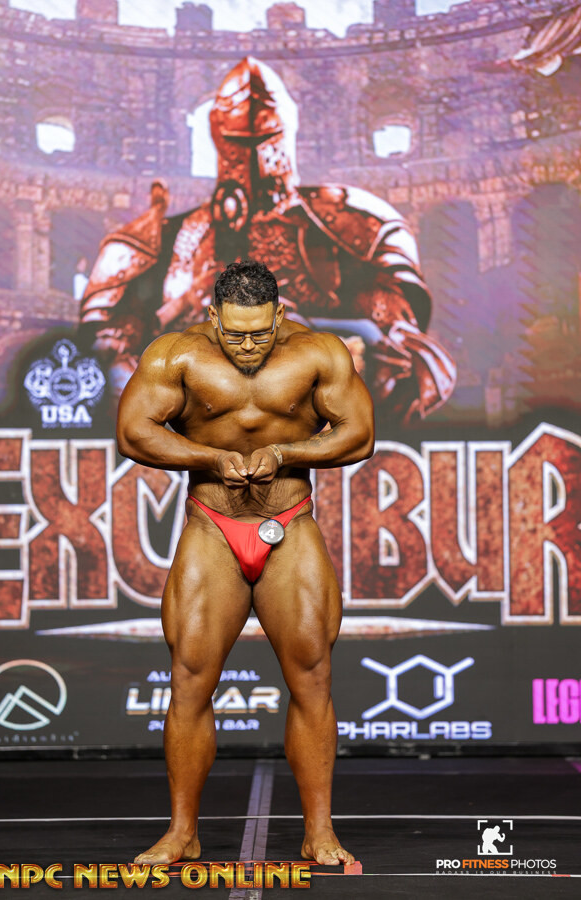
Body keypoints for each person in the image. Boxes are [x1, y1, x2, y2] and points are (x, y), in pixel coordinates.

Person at [116, 259, 374, 866]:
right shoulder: (176, 355)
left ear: (279, 314)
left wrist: (287, 453)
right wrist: (209, 459)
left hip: (290, 522)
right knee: (190, 679)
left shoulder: (318, 353)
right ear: (213, 315)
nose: (248, 345)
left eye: (259, 332)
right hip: (213, 525)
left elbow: (359, 435)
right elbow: (133, 432)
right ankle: (182, 833)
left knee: (312, 676)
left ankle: (319, 833)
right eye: (235, 334)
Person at [82, 57, 455, 422]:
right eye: (239, 141)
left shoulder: (356, 224)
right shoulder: (165, 238)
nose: (254, 157)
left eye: (264, 139)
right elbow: (105, 355)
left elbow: (408, 351)